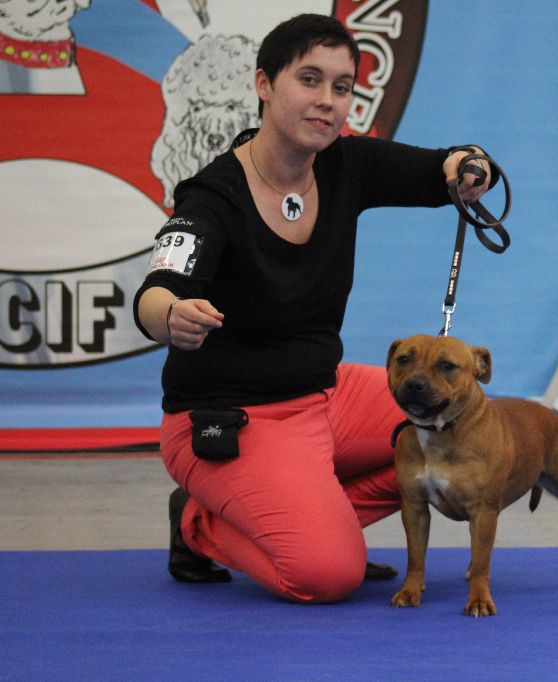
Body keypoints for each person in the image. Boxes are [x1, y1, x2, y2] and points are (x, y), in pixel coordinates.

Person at [133, 14, 495, 604]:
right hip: (232, 418)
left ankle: (304, 514)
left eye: (342, 86)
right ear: (264, 85)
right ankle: (201, 523)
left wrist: (467, 165)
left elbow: (441, 167)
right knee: (327, 574)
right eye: (309, 80)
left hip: (325, 397)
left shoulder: (345, 165)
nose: (327, 101)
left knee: (461, 415)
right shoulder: (212, 195)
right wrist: (168, 315)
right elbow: (158, 288)